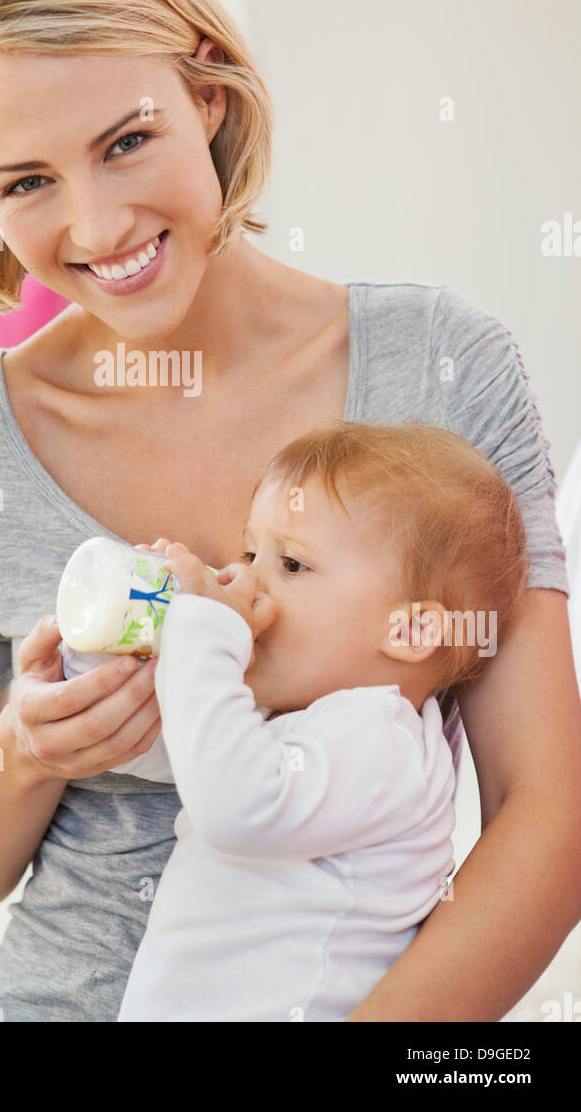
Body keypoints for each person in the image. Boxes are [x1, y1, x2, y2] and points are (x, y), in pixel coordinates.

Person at [0, 0, 581, 1023]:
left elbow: (544, 818)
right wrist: (27, 747)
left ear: (207, 91)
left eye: (125, 141)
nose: (98, 226)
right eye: (26, 182)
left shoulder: (437, 368)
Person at [117, 421, 528, 1021]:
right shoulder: (298, 719)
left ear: (411, 630)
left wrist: (202, 634)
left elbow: (236, 807)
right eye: (249, 552)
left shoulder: (383, 743)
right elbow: (154, 747)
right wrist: (111, 654)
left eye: (292, 563)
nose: (248, 579)